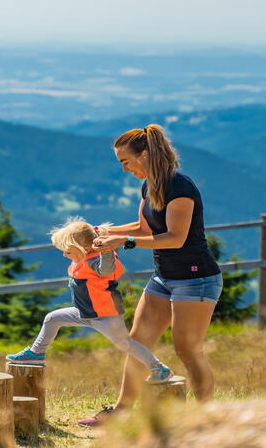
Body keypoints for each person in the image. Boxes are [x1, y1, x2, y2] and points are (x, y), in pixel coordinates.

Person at [78, 124, 223, 426]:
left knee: (187, 350)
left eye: (125, 161)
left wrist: (124, 242)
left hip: (196, 279)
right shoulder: (151, 186)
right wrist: (105, 231)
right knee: (138, 341)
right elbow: (144, 228)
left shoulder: (180, 187)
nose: (124, 169)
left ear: (144, 155)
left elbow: (175, 237)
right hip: (164, 277)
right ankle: (120, 412)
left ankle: (207, 419)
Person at [6, 218, 173, 386]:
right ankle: (36, 353)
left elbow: (107, 269)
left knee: (125, 344)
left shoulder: (96, 262)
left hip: (105, 316)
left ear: (85, 249)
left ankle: (159, 368)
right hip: (84, 312)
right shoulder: (80, 259)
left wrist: (106, 251)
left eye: (68, 252)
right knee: (52, 318)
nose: (65, 255)